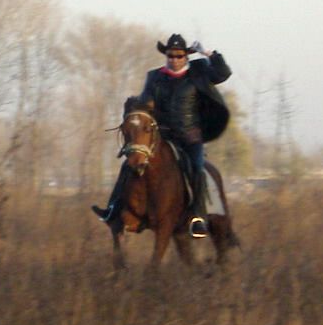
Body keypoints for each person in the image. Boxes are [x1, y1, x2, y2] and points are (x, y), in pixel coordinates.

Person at [91, 34, 231, 237]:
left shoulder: (198, 74)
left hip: (190, 137)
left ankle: (197, 218)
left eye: (179, 55)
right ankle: (113, 210)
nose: (174, 59)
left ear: (186, 56)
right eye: (170, 55)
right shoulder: (155, 77)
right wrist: (135, 109)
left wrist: (208, 53)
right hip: (162, 136)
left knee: (197, 169)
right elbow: (145, 102)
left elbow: (223, 73)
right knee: (129, 164)